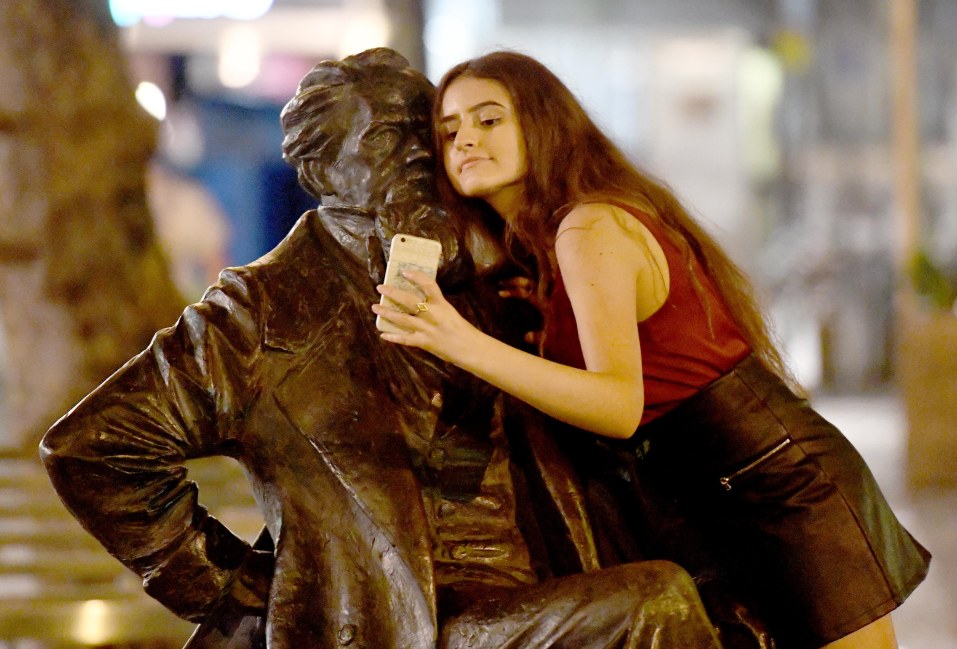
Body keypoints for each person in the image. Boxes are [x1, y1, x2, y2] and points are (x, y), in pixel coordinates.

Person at [40, 48, 723, 649]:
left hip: (543, 589)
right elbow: (93, 447)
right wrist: (246, 594)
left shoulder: (487, 278)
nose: (428, 155)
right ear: (327, 166)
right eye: (394, 138)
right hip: (402, 620)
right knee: (654, 607)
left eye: (429, 134)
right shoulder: (263, 311)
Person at [372, 50, 932, 649]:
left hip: (778, 484)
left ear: (543, 124)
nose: (465, 141)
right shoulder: (558, 241)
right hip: (709, 492)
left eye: (489, 120)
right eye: (450, 130)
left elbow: (619, 405)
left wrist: (457, 340)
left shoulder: (590, 228)